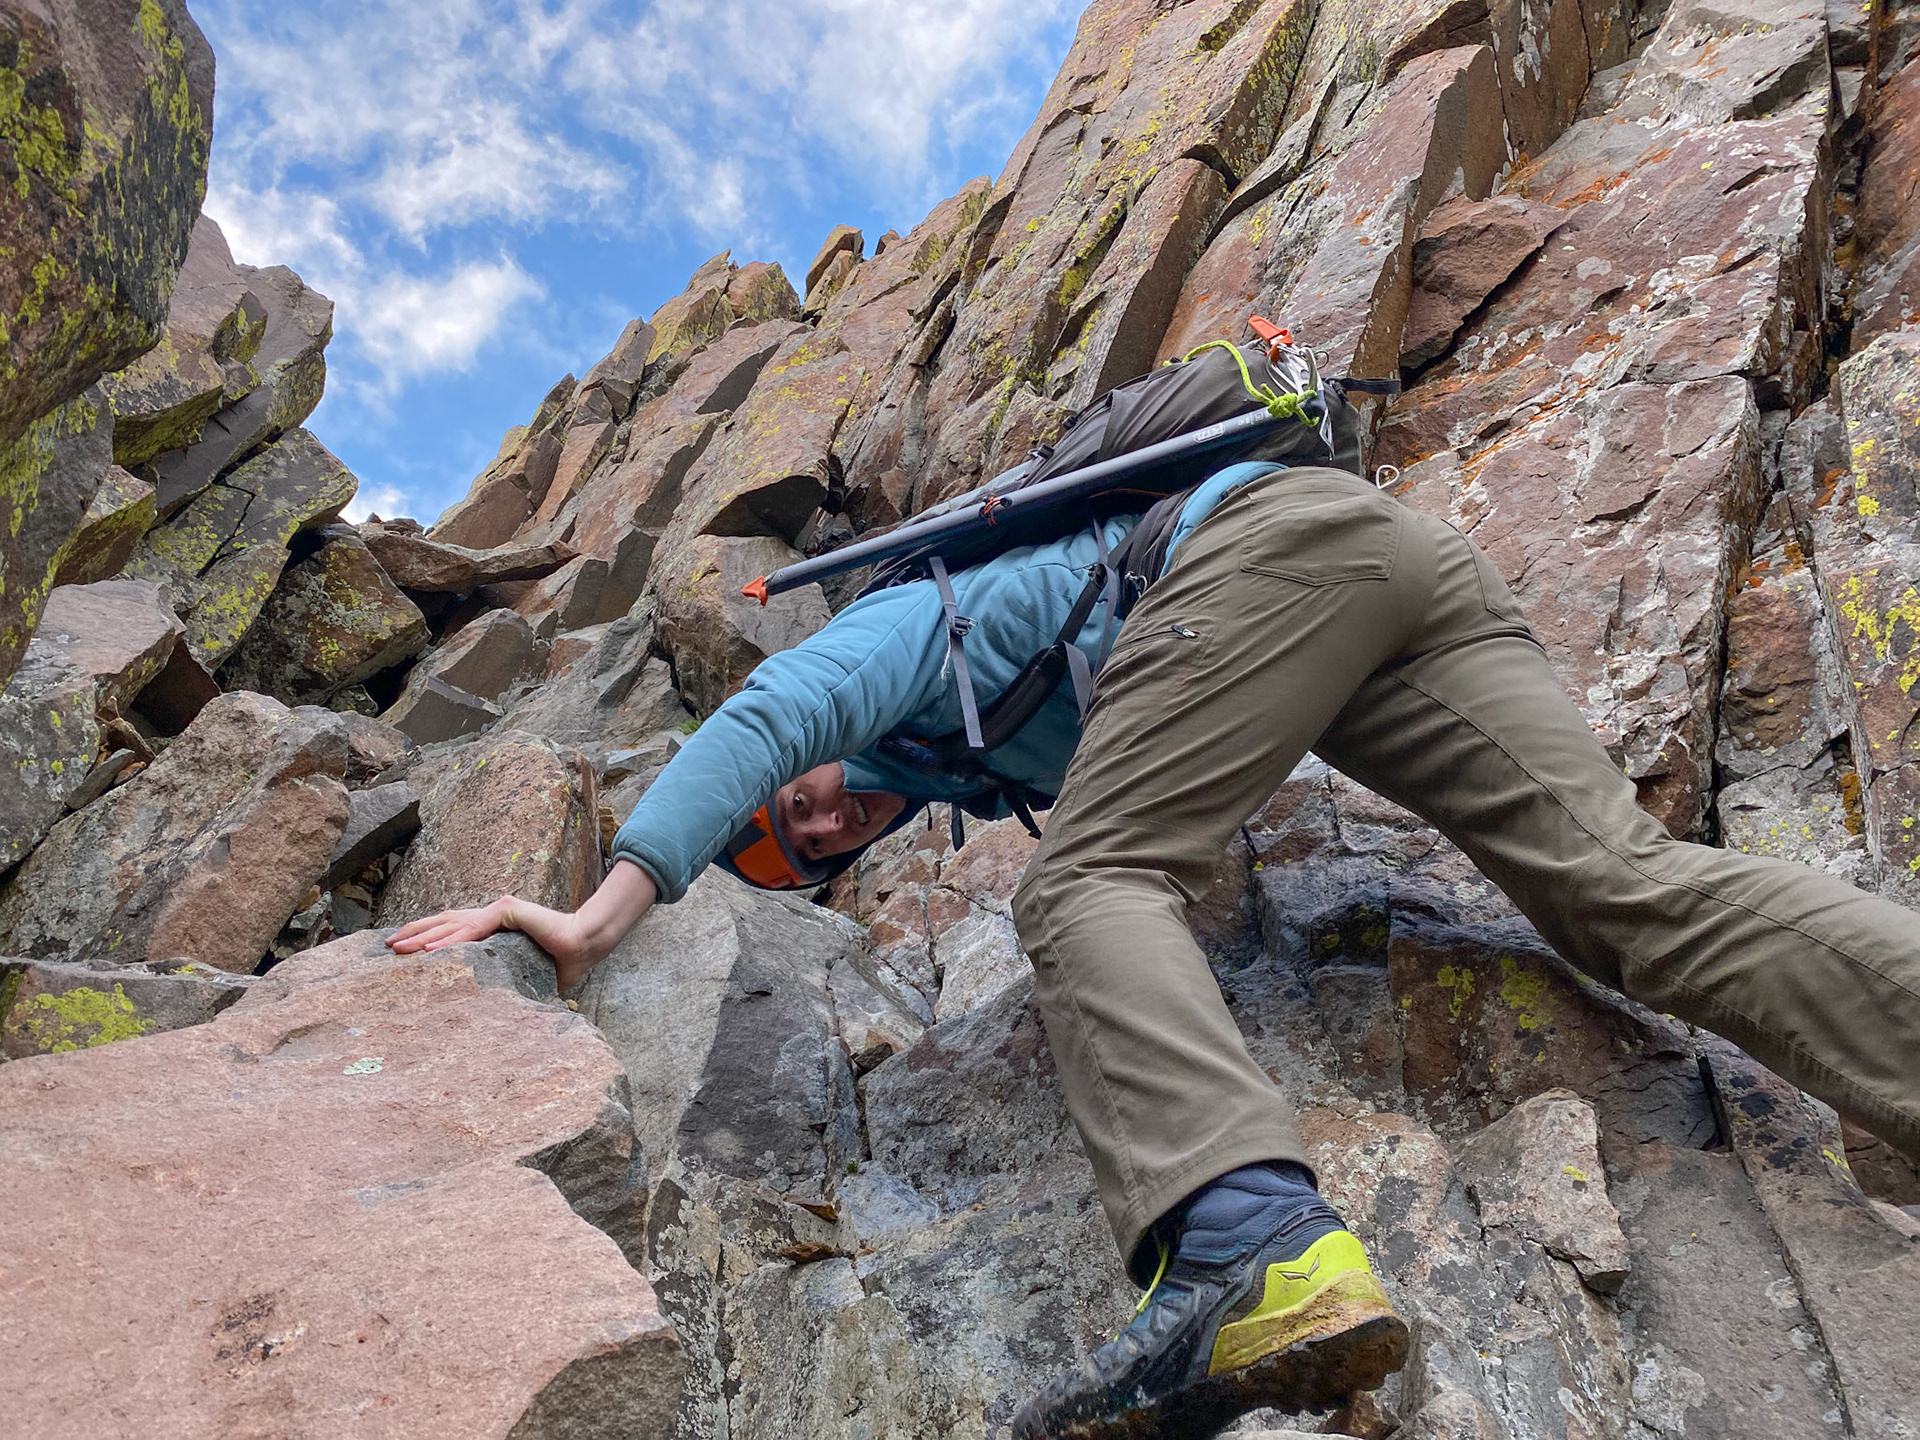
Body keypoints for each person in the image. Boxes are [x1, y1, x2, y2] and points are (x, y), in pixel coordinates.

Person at [389, 461, 1920, 1440]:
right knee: (1615, 888)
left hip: (1257, 549)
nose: (821, 812)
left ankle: (1253, 1247)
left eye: (801, 810)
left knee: (1081, 888)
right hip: (1381, 569)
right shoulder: (968, 766)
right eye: (810, 845)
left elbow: (760, 716)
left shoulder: (903, 629)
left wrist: (596, 917)